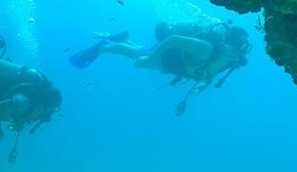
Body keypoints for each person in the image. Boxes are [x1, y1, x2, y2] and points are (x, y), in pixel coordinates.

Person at [69, 18, 252, 115]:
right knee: (135, 54)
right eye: (241, 47)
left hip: (170, 65)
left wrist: (206, 84)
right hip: (164, 56)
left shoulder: (228, 60)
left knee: (138, 50)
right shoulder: (207, 48)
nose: (241, 54)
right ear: (231, 44)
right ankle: (104, 47)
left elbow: (212, 69)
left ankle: (124, 37)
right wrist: (150, 60)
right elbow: (172, 40)